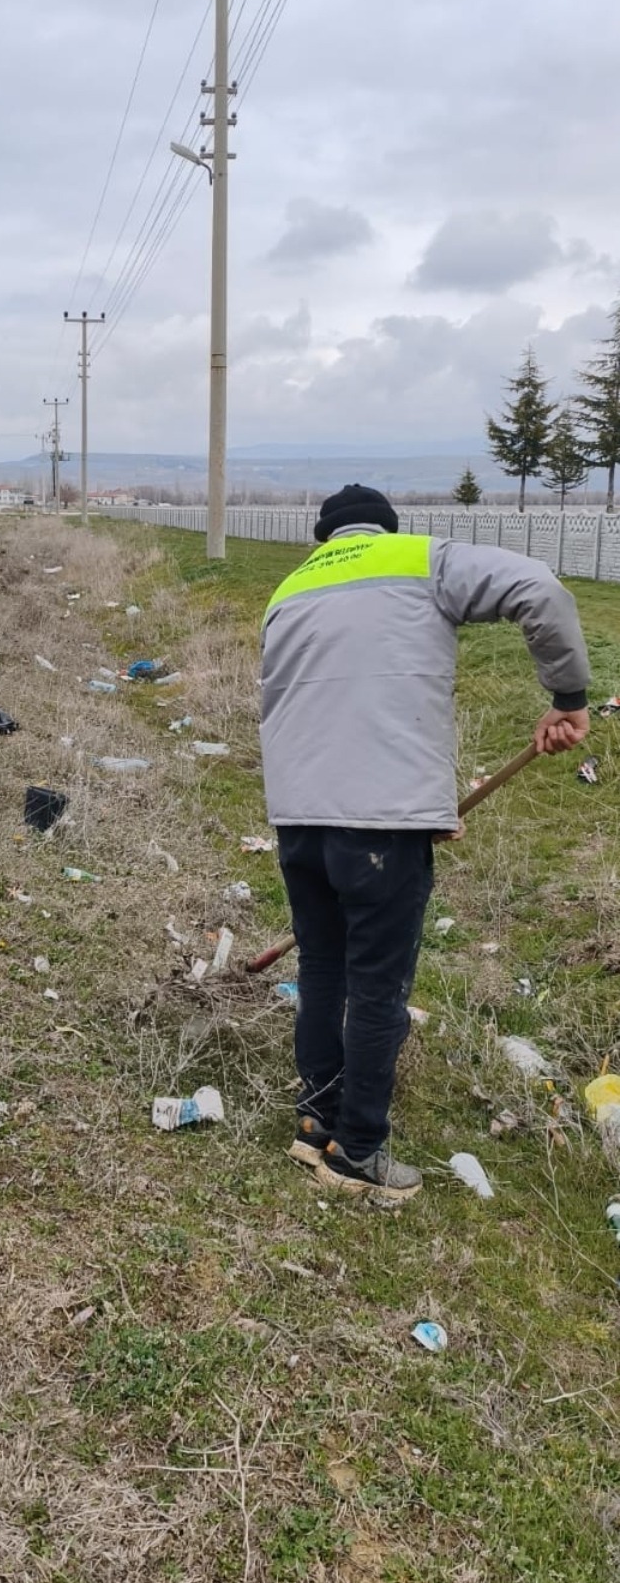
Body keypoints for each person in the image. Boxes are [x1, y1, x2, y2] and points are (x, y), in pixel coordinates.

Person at [259, 483, 590, 1203]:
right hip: (379, 825)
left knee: (323, 969)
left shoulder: (289, 589)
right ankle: (359, 1154)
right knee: (379, 987)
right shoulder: (423, 560)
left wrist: (423, 805)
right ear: (385, 527)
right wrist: (568, 696)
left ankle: (316, 1123)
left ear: (325, 538)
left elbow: (304, 706)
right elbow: (539, 588)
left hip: (298, 818)